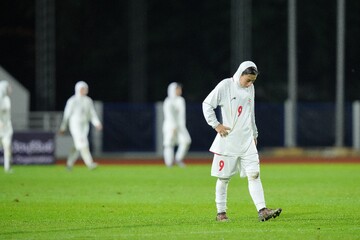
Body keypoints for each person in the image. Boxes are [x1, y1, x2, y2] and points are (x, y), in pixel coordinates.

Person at [202, 61, 282, 222]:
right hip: (228, 141)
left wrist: (255, 134)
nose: (250, 83)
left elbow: (250, 113)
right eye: (248, 80)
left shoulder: (250, 88)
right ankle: (221, 213)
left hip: (247, 141)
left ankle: (262, 210)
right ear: (240, 74)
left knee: (254, 174)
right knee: (224, 178)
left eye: (253, 81)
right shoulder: (226, 85)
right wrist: (216, 125)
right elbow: (207, 104)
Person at [59, 81, 102, 170]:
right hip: (75, 125)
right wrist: (63, 127)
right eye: (82, 88)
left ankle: (69, 164)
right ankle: (90, 164)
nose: (84, 90)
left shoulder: (88, 100)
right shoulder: (72, 101)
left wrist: (97, 123)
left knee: (76, 145)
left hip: (84, 126)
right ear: (78, 89)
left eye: (85, 88)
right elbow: (66, 115)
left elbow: (92, 114)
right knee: (83, 143)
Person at [162, 82, 191, 167]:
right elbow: (168, 115)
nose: (179, 90)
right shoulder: (168, 101)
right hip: (170, 126)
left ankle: (178, 159)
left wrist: (180, 126)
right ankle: (169, 163)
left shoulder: (181, 100)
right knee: (168, 143)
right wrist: (172, 126)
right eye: (177, 89)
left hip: (180, 127)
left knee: (186, 141)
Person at [0, 80, 13, 173]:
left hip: (6, 127)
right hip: (1, 125)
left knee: (7, 146)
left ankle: (7, 167)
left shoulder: (7, 100)